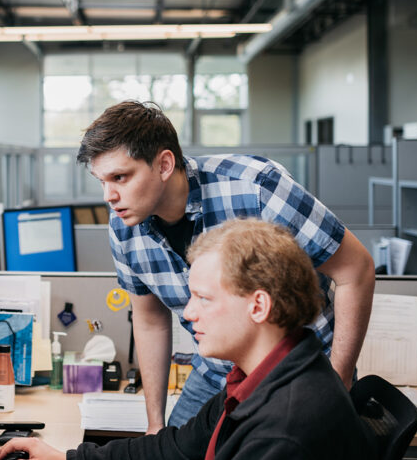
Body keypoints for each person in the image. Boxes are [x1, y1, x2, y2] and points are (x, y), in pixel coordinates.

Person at [76, 101, 375, 430]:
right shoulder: (123, 228)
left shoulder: (257, 187)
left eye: (120, 177)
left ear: (163, 165)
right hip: (216, 373)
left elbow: (355, 271)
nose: (108, 195)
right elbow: (150, 323)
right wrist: (154, 423)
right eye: (101, 181)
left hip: (298, 370)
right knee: (166, 449)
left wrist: (338, 381)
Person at [0, 219, 376, 460]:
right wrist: (65, 458)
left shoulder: (285, 430)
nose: (188, 313)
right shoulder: (255, 380)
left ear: (258, 306)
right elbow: (175, 447)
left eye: (204, 299)